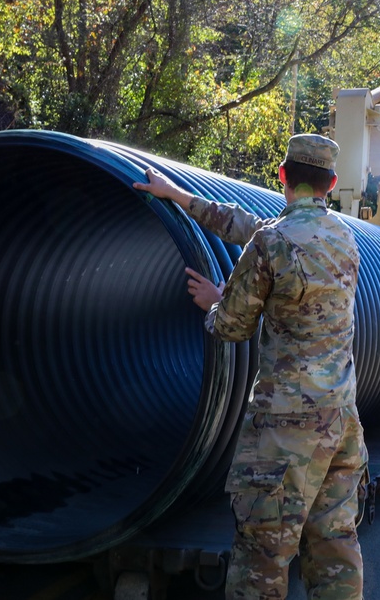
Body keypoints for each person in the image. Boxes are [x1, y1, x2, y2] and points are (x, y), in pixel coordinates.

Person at [133, 134, 367, 600]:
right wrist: (178, 195)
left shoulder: (272, 242)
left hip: (285, 431)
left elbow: (233, 328)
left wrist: (215, 303)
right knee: (333, 547)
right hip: (340, 421)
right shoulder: (344, 236)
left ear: (282, 176)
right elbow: (251, 226)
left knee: (262, 555)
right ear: (332, 183)